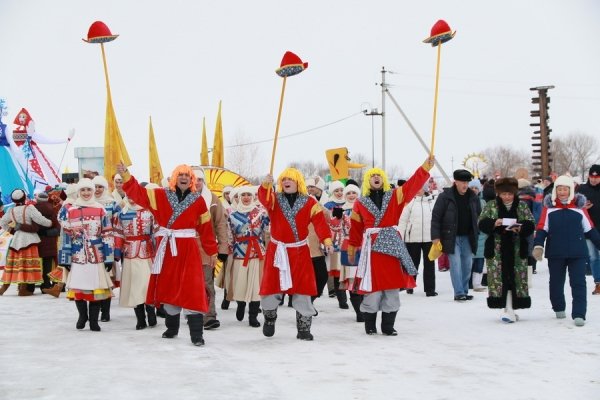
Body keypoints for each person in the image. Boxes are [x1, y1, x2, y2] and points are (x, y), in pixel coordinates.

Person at [117, 162, 218, 346]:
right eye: (181, 175)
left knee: (192, 289)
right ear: (174, 178)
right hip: (168, 249)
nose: (184, 178)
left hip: (188, 249)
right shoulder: (160, 195)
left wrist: (212, 251)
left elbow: (206, 229)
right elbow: (139, 195)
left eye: (188, 175)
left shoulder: (199, 200)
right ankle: (172, 328)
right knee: (170, 286)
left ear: (192, 180)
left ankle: (197, 334)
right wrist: (126, 176)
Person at [348, 158, 433, 336]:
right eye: (373, 176)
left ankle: (388, 326)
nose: (377, 177)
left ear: (384, 179)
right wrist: (352, 246)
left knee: (392, 288)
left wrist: (425, 167)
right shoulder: (360, 202)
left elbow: (412, 185)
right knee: (373, 289)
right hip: (371, 250)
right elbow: (356, 227)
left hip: (392, 249)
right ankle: (370, 325)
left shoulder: (395, 196)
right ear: (368, 181)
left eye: (379, 175)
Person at [258, 168, 333, 341]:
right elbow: (264, 199)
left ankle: (303, 328)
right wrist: (265, 185)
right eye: (283, 179)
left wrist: (326, 240)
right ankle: (269, 318)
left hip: (299, 252)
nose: (286, 181)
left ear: (298, 181)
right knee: (271, 288)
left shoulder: (309, 203)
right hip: (277, 251)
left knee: (303, 289)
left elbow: (320, 223)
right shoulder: (274, 199)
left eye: (290, 179)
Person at [533, 175, 600, 327]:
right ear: (555, 190)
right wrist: (538, 245)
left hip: (578, 252)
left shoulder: (579, 208)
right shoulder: (549, 209)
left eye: (565, 189)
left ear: (571, 190)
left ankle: (579, 314)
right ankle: (558, 307)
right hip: (556, 252)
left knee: (578, 283)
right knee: (556, 282)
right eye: (559, 189)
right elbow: (542, 228)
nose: (562, 192)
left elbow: (590, 229)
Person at [57, 179, 114, 331]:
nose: (86, 193)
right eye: (83, 190)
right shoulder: (70, 210)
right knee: (79, 288)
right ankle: (82, 316)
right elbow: (65, 236)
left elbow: (107, 233)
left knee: (95, 288)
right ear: (78, 192)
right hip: (78, 255)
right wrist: (65, 259)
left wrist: (109, 257)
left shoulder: (100, 209)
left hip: (96, 256)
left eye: (89, 190)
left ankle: (94, 321)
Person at [478, 178, 535, 323]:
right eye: (504, 194)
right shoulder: (491, 205)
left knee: (515, 279)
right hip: (497, 249)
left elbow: (530, 223)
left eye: (510, 194)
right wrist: (493, 223)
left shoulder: (521, 206)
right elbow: (481, 223)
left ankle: (510, 309)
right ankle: (507, 309)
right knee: (500, 279)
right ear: (498, 193)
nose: (507, 197)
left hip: (516, 248)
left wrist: (521, 227)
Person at [431, 169, 482, 301]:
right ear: (456, 182)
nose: (465, 185)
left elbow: (479, 215)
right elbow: (436, 217)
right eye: (462, 182)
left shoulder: (473, 197)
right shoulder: (445, 196)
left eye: (467, 182)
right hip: (451, 237)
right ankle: (459, 292)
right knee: (455, 265)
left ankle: (464, 290)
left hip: (468, 237)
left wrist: (478, 229)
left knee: (467, 265)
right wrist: (435, 237)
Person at [191, 166, 229, 330]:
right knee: (188, 282)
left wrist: (223, 248)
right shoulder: (183, 197)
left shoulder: (213, 199)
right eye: (195, 179)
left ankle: (209, 316)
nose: (197, 183)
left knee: (207, 282)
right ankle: (192, 313)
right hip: (186, 246)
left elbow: (221, 224)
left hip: (207, 247)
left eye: (200, 180)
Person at [113, 196, 159, 330]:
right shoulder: (121, 214)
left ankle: (151, 311)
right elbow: (118, 234)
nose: (132, 198)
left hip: (147, 252)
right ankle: (140, 318)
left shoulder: (150, 212)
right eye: (129, 196)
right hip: (130, 254)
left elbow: (156, 232)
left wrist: (158, 251)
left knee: (147, 284)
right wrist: (117, 251)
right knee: (134, 286)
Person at [227, 186, 270, 327]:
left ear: (253, 197)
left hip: (257, 253)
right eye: (243, 195)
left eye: (249, 195)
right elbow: (229, 235)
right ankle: (240, 304)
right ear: (238, 197)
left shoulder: (261, 213)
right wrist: (228, 249)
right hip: (240, 253)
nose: (246, 197)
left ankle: (253, 316)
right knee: (240, 284)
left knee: (256, 286)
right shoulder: (232, 215)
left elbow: (267, 230)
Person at [0, 189, 52, 296]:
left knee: (16, 264)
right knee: (27, 265)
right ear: (24, 197)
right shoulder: (29, 209)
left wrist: (11, 230)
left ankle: (6, 286)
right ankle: (23, 289)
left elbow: (3, 222)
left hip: (17, 238)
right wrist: (51, 222)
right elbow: (41, 220)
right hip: (30, 238)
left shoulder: (11, 210)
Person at [398, 182, 438, 296]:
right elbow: (403, 221)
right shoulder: (409, 203)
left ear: (425, 189)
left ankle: (430, 290)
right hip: (412, 239)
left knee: (429, 264)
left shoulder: (432, 203)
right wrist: (400, 236)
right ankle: (410, 285)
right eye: (416, 188)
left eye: (420, 188)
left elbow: (436, 220)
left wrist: (437, 235)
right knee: (412, 263)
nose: (418, 190)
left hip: (429, 238)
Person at [92, 175, 121, 322]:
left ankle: (106, 311)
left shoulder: (112, 204)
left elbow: (117, 227)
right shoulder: (88, 204)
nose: (97, 190)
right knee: (95, 280)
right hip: (92, 249)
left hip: (108, 247)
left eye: (100, 187)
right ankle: (97, 310)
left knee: (107, 280)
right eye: (95, 187)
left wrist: (116, 250)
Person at [339, 183, 363, 321]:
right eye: (348, 193)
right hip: (348, 246)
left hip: (363, 245)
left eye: (354, 192)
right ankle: (359, 312)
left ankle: (365, 309)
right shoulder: (341, 211)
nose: (351, 195)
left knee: (363, 278)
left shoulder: (363, 209)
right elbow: (335, 229)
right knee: (352, 280)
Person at [323, 180, 347, 308]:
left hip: (348, 242)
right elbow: (325, 223)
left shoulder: (348, 203)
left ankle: (352, 297)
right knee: (336, 271)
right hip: (334, 243)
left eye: (341, 190)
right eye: (336, 191)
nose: (339, 193)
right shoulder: (328, 205)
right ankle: (341, 298)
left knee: (347, 270)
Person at [577, 164, 600, 294]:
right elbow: (574, 205)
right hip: (589, 228)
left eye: (597, 177)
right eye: (592, 176)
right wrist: (583, 207)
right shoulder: (582, 188)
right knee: (593, 257)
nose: (594, 179)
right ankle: (598, 283)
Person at [33, 191, 60, 294]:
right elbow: (58, 228)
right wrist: (48, 232)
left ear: (38, 199)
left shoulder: (33, 209)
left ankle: (30, 285)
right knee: (48, 263)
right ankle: (47, 284)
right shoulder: (52, 209)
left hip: (36, 239)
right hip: (50, 240)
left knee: (34, 263)